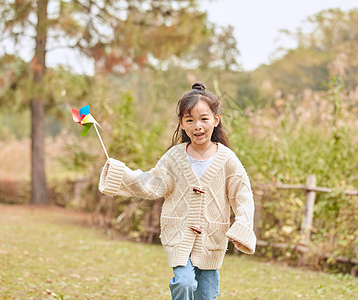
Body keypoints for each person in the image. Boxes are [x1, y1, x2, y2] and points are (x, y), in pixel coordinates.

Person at [99, 82, 256, 300]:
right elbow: (151, 183)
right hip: (179, 235)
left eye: (204, 119)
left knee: (206, 295)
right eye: (189, 120)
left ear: (216, 120)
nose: (197, 126)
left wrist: (242, 227)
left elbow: (243, 196)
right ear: (182, 124)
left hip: (212, 239)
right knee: (184, 282)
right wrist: (121, 173)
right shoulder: (174, 157)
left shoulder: (227, 159)